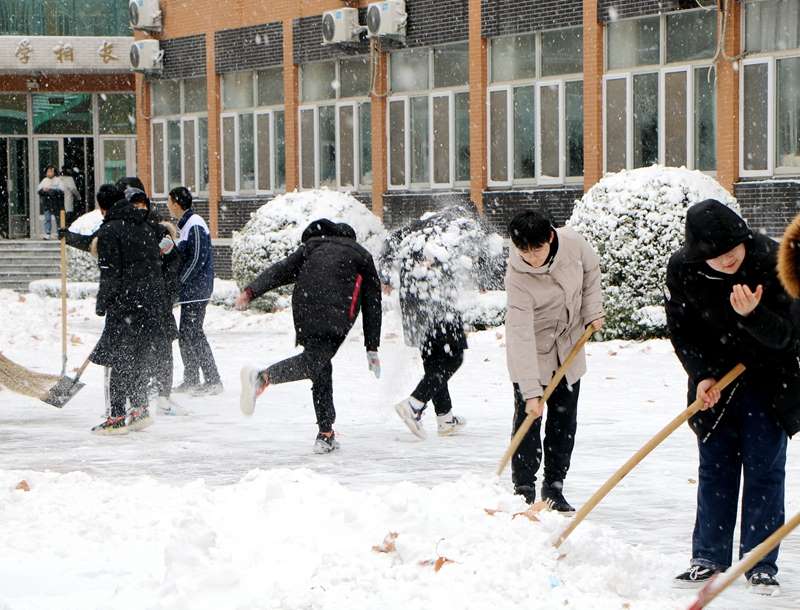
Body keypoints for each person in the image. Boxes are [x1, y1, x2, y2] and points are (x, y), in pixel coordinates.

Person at [666, 199, 800, 594]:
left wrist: (754, 315)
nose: (727, 260)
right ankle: (708, 558)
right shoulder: (684, 269)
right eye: (717, 255)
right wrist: (701, 375)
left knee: (764, 472)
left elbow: (790, 338)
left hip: (769, 383)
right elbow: (682, 330)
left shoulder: (772, 260)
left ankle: (759, 564)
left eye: (732, 251)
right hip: (715, 386)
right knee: (715, 469)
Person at [235, 219, 382, 454]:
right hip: (334, 316)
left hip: (304, 311)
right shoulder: (361, 256)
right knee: (314, 362)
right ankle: (262, 377)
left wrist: (251, 291)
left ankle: (326, 433)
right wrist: (372, 347)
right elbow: (372, 304)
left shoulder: (313, 248)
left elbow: (280, 271)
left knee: (320, 365)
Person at [505, 210, 604, 511]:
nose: (531, 258)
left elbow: (592, 270)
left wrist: (592, 310)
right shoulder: (517, 277)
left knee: (563, 421)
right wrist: (531, 392)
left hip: (569, 344)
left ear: (550, 237)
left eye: (537, 249)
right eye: (524, 251)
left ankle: (554, 487)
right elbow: (521, 334)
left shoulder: (573, 244)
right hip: (533, 351)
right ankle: (523, 488)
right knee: (528, 420)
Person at [90, 184, 166, 434]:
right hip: (150, 302)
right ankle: (140, 408)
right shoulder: (144, 225)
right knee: (138, 358)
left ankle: (117, 416)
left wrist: (103, 304)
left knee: (120, 360)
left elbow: (110, 273)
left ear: (103, 207)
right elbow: (155, 263)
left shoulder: (110, 231)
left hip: (125, 305)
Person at [381, 235, 467, 439]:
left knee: (435, 362)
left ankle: (445, 418)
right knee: (453, 358)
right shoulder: (440, 235)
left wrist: (386, 278)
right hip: (438, 306)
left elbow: (386, 254)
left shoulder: (411, 236)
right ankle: (414, 404)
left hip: (414, 308)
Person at [126, 186, 185, 416]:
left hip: (159, 304)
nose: (139, 209)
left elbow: (173, 263)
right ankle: (136, 399)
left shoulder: (159, 232)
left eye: (142, 205)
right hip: (135, 306)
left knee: (163, 350)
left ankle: (163, 396)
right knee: (137, 353)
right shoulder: (124, 233)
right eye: (134, 205)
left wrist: (168, 294)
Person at [167, 186, 222, 397]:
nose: (168, 206)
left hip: (197, 290)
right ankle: (191, 379)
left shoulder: (195, 223)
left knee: (194, 334)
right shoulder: (185, 225)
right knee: (186, 335)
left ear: (176, 203)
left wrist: (180, 281)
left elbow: (198, 258)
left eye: (169, 201)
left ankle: (213, 380)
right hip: (190, 291)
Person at [37, 166, 63, 239]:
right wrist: (44, 190)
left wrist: (52, 190)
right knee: (47, 218)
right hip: (47, 202)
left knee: (58, 218)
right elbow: (39, 190)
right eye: (48, 172)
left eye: (51, 171)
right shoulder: (44, 180)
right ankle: (47, 233)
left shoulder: (58, 180)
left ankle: (59, 232)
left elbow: (61, 190)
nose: (49, 173)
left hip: (56, 202)